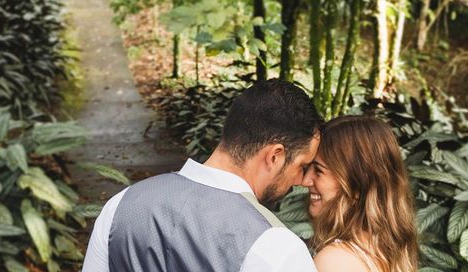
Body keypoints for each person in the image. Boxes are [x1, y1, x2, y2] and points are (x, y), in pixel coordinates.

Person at [82, 79, 323, 272]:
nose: (301, 180)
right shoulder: (276, 247)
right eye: (303, 166)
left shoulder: (121, 205)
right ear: (275, 156)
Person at [303, 115, 418, 272]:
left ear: (357, 186)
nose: (305, 180)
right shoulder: (384, 254)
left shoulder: (335, 261)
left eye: (318, 170)